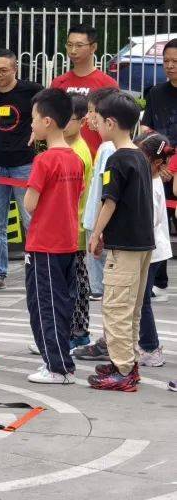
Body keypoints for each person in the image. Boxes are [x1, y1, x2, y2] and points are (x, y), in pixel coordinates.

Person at [87, 92, 154, 392]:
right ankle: (126, 362)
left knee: (115, 308)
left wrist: (95, 233)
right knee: (132, 309)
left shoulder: (116, 159)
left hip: (123, 247)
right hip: (142, 246)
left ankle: (123, 370)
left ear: (111, 123)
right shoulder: (140, 155)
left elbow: (109, 202)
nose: (96, 125)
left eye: (98, 121)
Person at [23, 88, 83, 384]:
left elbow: (30, 204)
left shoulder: (44, 161)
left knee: (44, 306)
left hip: (44, 243)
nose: (31, 124)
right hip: (68, 242)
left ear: (47, 121)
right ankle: (62, 362)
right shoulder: (76, 159)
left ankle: (57, 367)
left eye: (34, 118)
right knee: (61, 305)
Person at [0, 50, 41, 288]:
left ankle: (37, 269)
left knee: (29, 219)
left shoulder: (31, 90)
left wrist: (36, 129)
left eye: (4, 70)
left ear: (15, 70)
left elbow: (47, 109)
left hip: (23, 163)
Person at [73, 88, 119, 362]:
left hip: (98, 229)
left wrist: (98, 232)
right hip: (94, 225)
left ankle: (108, 341)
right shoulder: (104, 147)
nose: (89, 118)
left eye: (92, 112)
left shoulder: (108, 149)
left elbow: (107, 194)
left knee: (104, 291)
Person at [140, 38, 177, 302]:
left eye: (175, 62)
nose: (170, 66)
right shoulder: (155, 93)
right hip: (159, 165)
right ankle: (159, 279)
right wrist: (161, 163)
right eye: (166, 62)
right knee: (157, 222)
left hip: (173, 167)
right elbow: (146, 130)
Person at [131, 132, 172, 368]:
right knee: (140, 299)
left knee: (142, 300)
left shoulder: (152, 182)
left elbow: (153, 218)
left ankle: (151, 346)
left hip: (152, 250)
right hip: (154, 249)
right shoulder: (152, 177)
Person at [50, 23, 119, 157]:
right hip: (62, 158)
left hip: (95, 159)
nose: (73, 50)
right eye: (69, 45)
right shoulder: (58, 83)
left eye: (79, 45)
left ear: (93, 47)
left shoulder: (108, 84)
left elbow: (116, 126)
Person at [62, 94, 94, 352]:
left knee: (77, 284)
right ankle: (74, 331)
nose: (63, 124)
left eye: (68, 120)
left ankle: (78, 332)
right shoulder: (71, 148)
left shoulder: (78, 152)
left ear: (82, 121)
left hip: (76, 228)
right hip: (74, 227)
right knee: (75, 281)